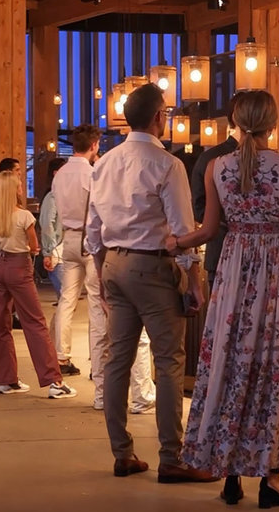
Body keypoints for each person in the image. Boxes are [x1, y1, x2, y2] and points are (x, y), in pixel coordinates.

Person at [174, 90, 279, 508]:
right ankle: (270, 478)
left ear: (236, 123)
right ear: (273, 124)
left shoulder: (217, 167)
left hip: (233, 273)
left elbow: (208, 231)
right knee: (273, 373)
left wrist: (176, 242)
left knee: (230, 366)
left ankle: (229, 473)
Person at [87, 82, 206, 478]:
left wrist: (102, 273)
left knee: (117, 360)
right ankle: (172, 457)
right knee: (168, 361)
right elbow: (182, 229)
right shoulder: (167, 165)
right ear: (159, 117)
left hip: (113, 264)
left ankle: (122, 453)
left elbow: (93, 230)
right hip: (153, 268)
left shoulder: (104, 163)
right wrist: (194, 279)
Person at [0, 173, 65, 393]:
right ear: (14, 190)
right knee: (35, 323)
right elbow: (33, 246)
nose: (22, 188)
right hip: (20, 267)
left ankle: (6, 380)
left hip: (0, 267)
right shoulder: (25, 216)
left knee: (0, 325)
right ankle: (54, 381)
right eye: (19, 185)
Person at [49, 125, 101, 385]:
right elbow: (99, 208)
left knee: (67, 300)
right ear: (94, 145)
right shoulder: (92, 174)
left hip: (68, 237)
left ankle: (61, 357)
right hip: (89, 238)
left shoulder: (59, 175)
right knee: (96, 302)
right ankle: (97, 363)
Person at [190, 127, 240, 284]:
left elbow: (199, 210)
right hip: (263, 257)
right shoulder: (276, 162)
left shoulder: (210, 158)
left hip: (218, 250)